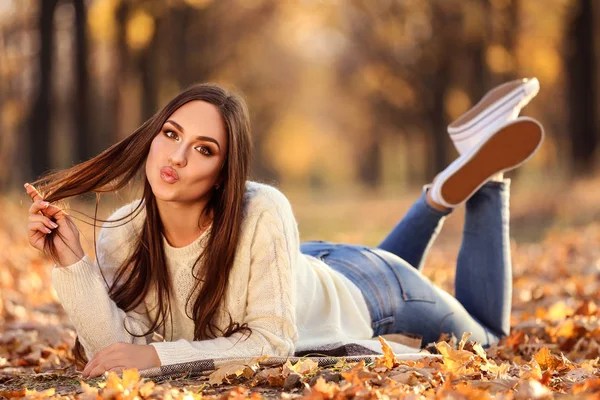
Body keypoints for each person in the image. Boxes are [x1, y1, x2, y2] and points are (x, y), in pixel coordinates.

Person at [25, 79, 543, 378]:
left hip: (369, 291)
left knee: (491, 338)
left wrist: (159, 354)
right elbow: (112, 355)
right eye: (171, 134)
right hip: (303, 270)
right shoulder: (121, 232)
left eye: (204, 149)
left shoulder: (262, 208)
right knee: (360, 274)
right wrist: (74, 265)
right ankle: (437, 196)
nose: (177, 156)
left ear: (225, 172)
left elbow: (271, 341)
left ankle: (488, 178)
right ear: (152, 137)